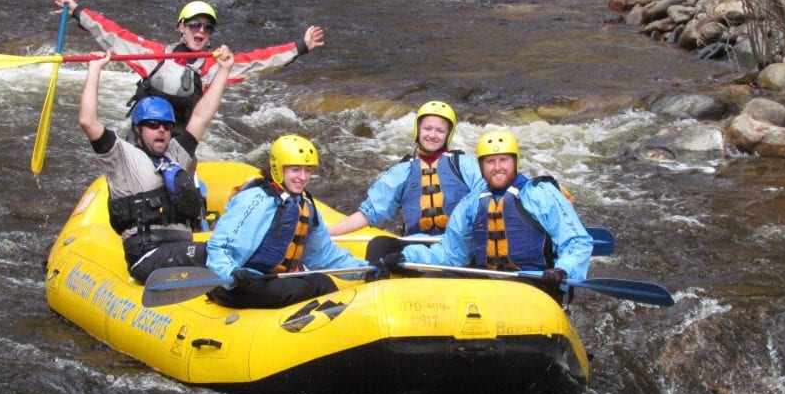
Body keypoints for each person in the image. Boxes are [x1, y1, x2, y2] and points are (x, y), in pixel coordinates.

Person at [369, 129, 594, 301]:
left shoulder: (541, 194)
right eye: (490, 161)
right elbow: (450, 253)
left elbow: (577, 242)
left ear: (515, 161)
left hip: (535, 284)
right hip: (487, 285)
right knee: (428, 286)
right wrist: (408, 258)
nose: (497, 167)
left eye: (503, 160)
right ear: (481, 166)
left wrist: (562, 270)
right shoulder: (471, 203)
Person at [78, 46, 236, 284]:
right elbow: (87, 121)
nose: (161, 130)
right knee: (214, 252)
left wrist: (224, 70)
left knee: (235, 247)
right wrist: (95, 70)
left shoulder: (176, 153)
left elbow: (202, 116)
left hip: (180, 249)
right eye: (153, 124)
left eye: (166, 125)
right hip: (147, 255)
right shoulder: (121, 157)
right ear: (138, 130)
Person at [53, 0, 325, 126]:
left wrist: (301, 46)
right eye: (195, 24)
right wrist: (78, 11)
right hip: (144, 136)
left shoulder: (215, 66)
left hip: (182, 141)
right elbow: (113, 35)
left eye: (208, 28)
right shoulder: (154, 55)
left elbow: (260, 61)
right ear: (181, 27)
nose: (201, 31)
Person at [206, 135, 371, 309]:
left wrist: (367, 270)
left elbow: (322, 254)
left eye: (308, 170)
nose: (303, 177)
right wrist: (230, 272)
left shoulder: (304, 204)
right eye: (295, 170)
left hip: (273, 280)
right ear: (278, 168)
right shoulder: (255, 199)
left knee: (322, 282)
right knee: (297, 289)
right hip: (237, 283)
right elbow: (219, 247)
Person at [328, 100, 485, 237]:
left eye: (440, 130)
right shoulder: (403, 171)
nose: (432, 135)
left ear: (448, 135)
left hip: (460, 244)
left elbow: (490, 196)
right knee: (378, 247)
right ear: (418, 130)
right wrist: (330, 232)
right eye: (427, 128)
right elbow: (370, 212)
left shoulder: (463, 164)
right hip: (418, 246)